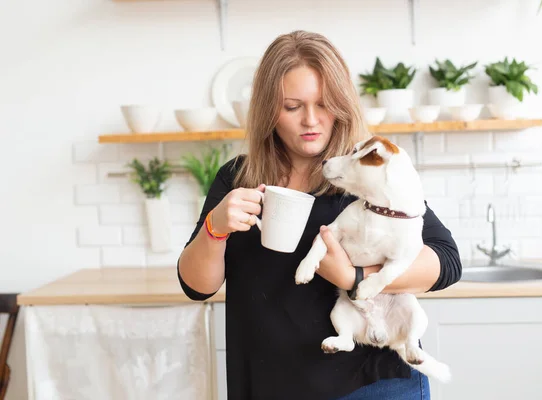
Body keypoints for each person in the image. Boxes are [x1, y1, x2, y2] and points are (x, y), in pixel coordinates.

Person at [177, 30, 462, 400]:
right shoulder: (238, 178)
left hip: (372, 385)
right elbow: (196, 286)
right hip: (269, 383)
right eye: (292, 107)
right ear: (268, 110)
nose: (311, 120)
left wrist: (356, 277)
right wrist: (215, 228)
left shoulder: (366, 174)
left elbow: (446, 260)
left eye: (324, 104)